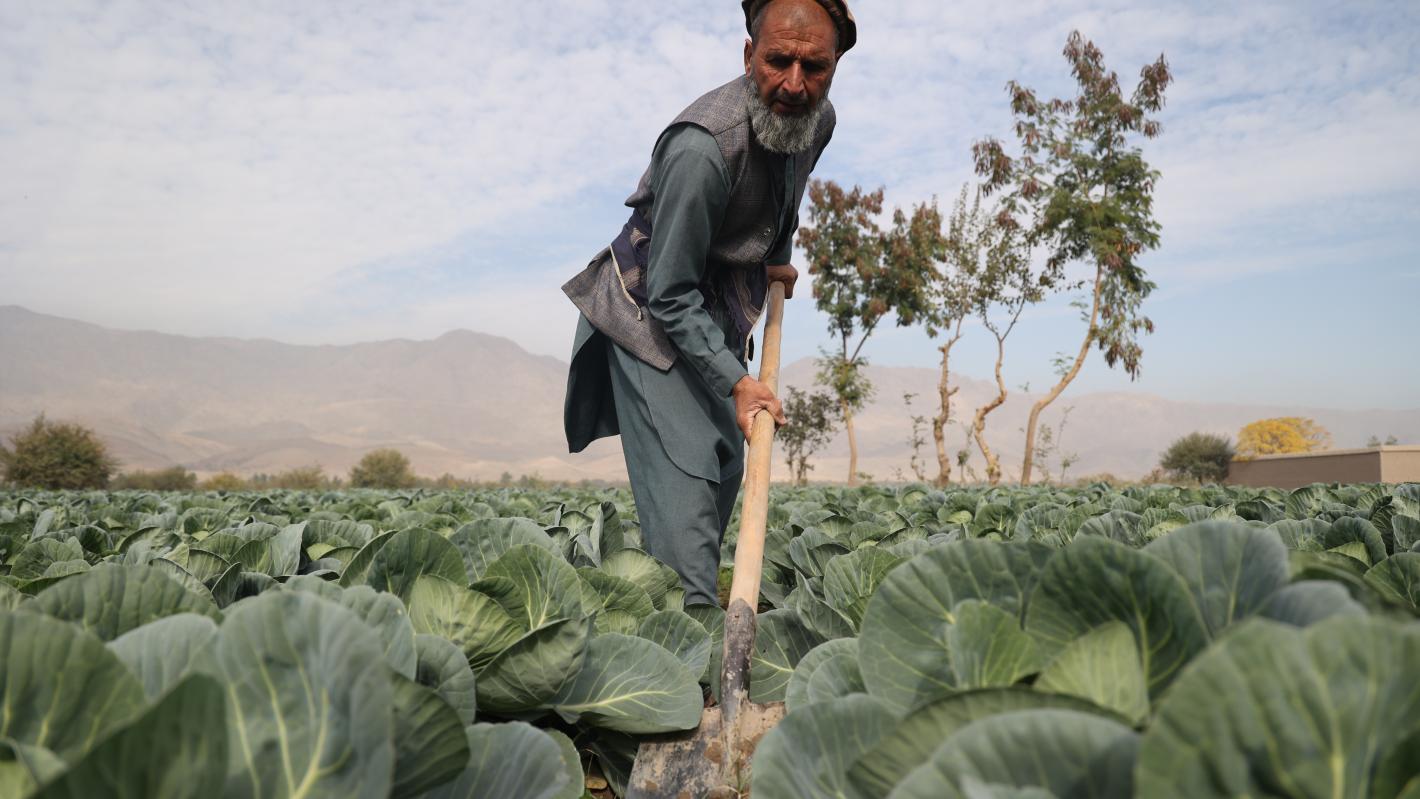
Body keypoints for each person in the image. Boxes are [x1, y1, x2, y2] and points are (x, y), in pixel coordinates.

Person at [562, 0, 855, 607]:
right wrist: (738, 381)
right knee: (689, 476)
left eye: (815, 66)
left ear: (834, 66)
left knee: (725, 467)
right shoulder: (703, 149)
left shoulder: (818, 122)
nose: (795, 84)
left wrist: (774, 255)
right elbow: (669, 293)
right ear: (749, 56)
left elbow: (786, 194)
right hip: (649, 316)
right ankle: (684, 637)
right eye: (778, 62)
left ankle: (691, 621)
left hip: (716, 310)